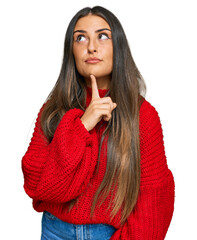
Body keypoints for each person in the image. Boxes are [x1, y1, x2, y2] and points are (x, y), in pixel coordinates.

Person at [21, 6, 175, 240]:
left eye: (103, 36)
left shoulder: (143, 115)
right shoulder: (54, 109)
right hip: (54, 231)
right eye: (80, 38)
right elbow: (37, 185)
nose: (91, 47)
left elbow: (153, 202)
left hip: (110, 234)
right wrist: (81, 126)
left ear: (119, 47)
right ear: (71, 50)